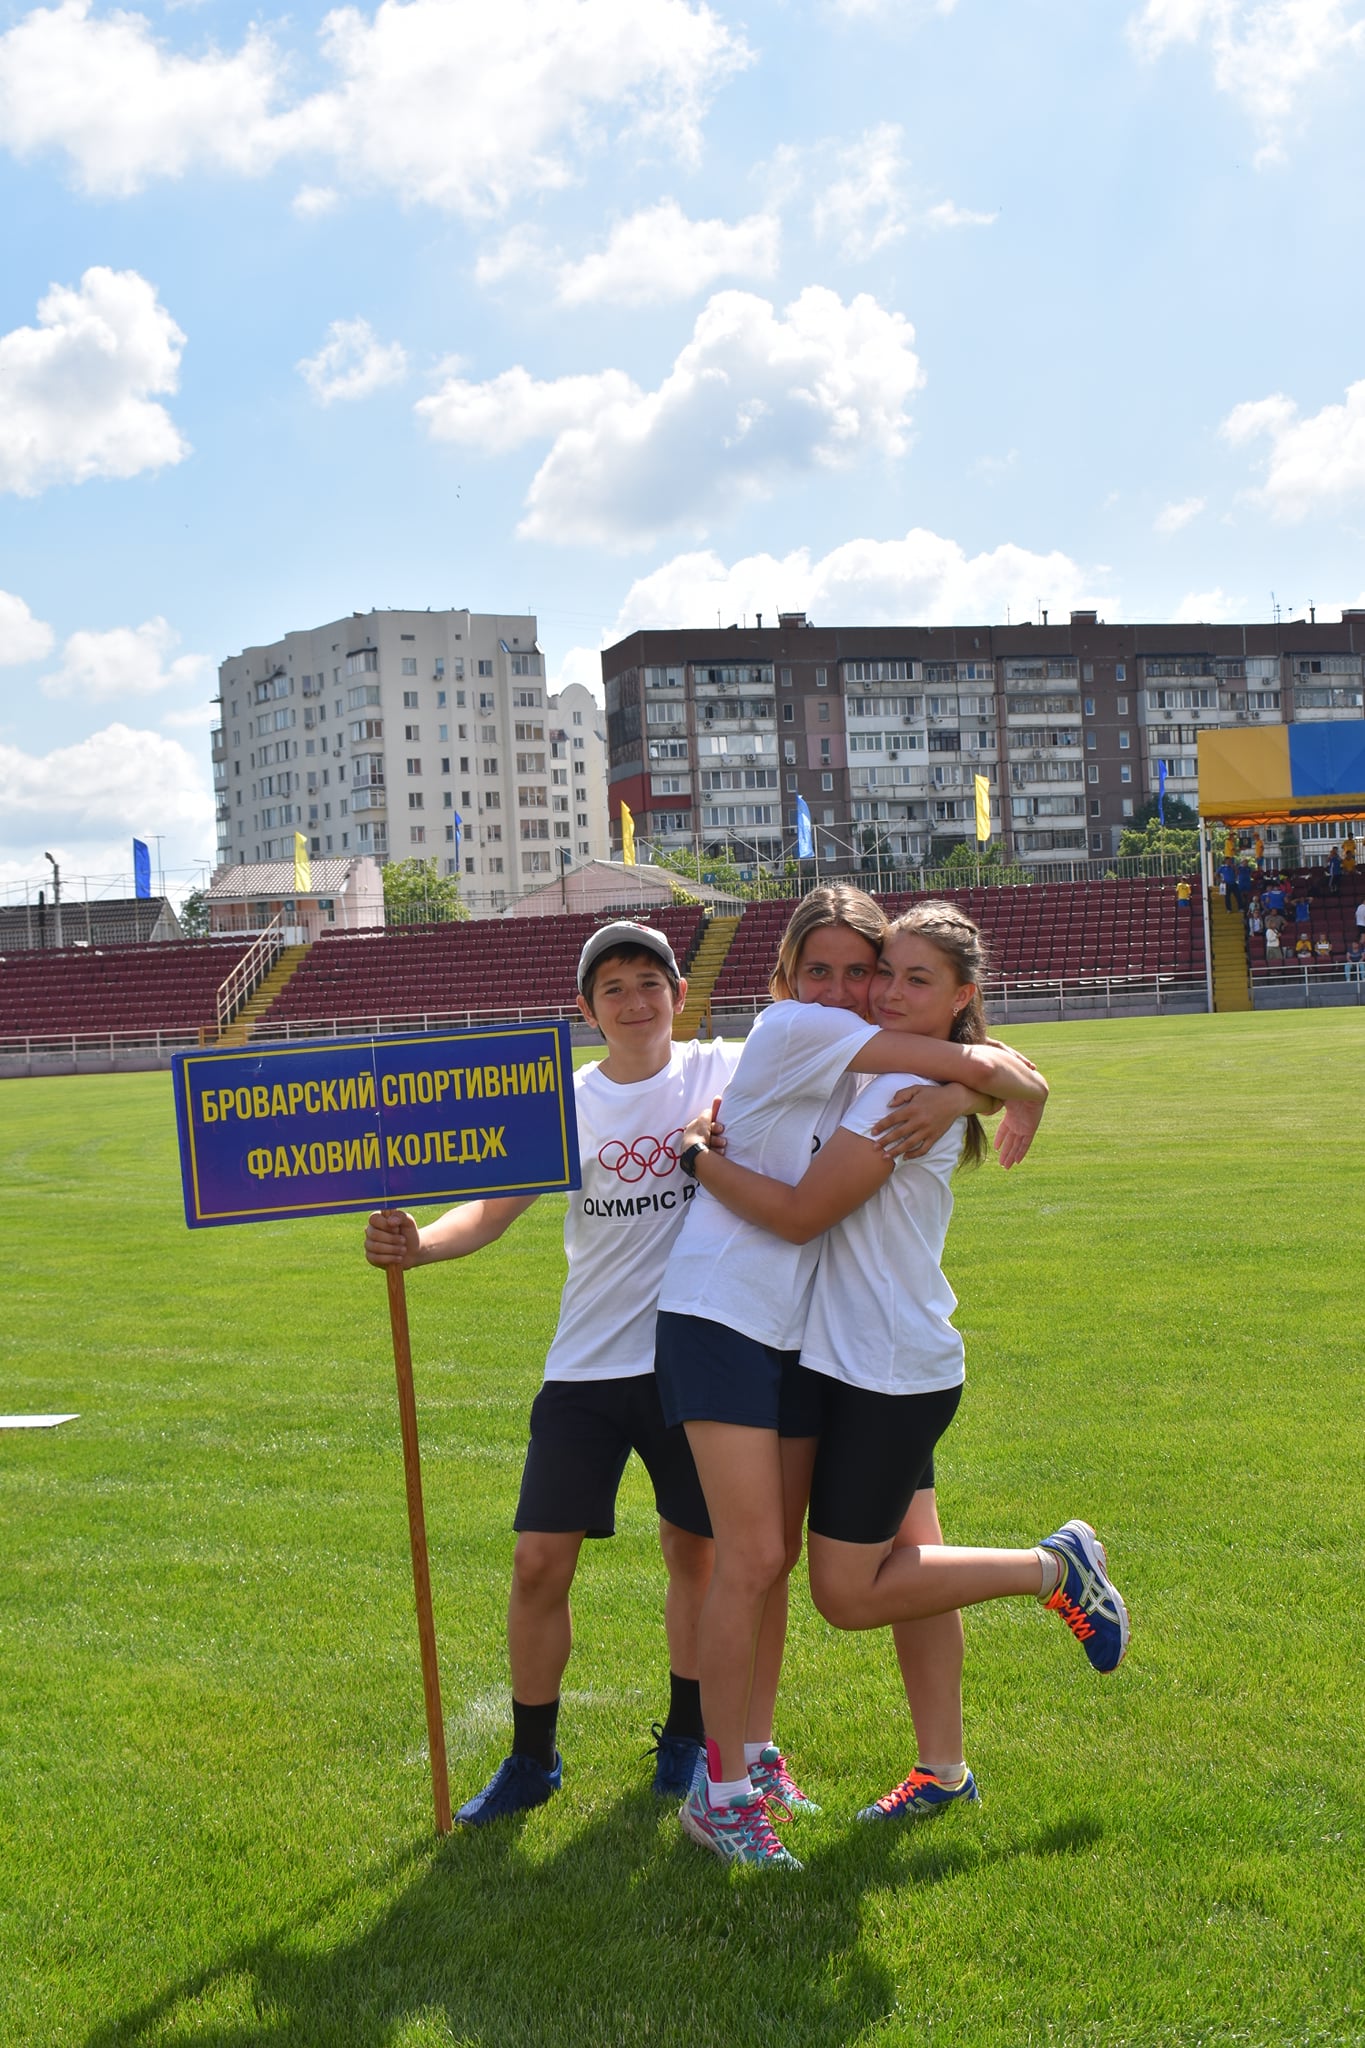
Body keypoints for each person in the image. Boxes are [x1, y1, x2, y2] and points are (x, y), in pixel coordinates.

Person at [675, 902, 1128, 1850]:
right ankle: (941, 1768)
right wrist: (995, 1084)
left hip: (876, 1364)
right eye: (847, 973)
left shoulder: (894, 1089)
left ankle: (1053, 1567)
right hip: (839, 1352)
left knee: (847, 1590)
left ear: (960, 996)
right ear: (789, 975)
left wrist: (698, 1163)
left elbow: (804, 1212)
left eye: (889, 976)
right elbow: (990, 1067)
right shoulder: (866, 1058)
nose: (866, 993)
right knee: (907, 1562)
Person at [364, 921, 740, 1824]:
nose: (635, 999)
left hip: (695, 1360)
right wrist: (418, 1246)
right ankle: (533, 1758)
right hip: (586, 1367)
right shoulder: (560, 1103)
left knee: (694, 1554)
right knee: (537, 1563)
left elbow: (834, 1056)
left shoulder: (724, 1070)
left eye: (651, 981)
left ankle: (686, 1740)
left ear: (680, 996)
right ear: (584, 1010)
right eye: (612, 987)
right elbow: (490, 1214)